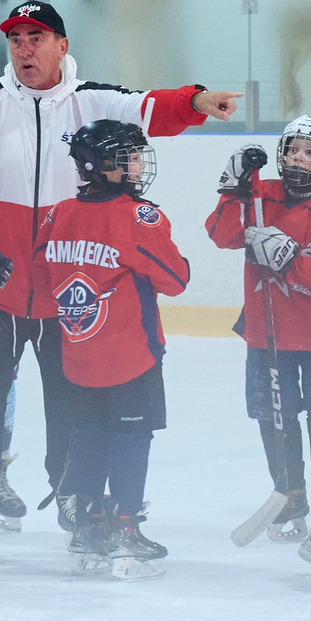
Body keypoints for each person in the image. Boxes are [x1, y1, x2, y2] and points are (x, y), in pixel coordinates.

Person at [0, 0, 238, 537]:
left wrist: (196, 100)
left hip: (65, 292)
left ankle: (73, 493)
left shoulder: (93, 101)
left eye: (36, 38)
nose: (24, 49)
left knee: (71, 400)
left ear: (62, 45)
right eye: (15, 40)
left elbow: (150, 108)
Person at [45, 121, 191, 579]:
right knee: (131, 437)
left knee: (87, 436)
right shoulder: (137, 217)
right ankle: (126, 529)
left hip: (78, 352)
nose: (137, 164)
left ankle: (87, 527)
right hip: (132, 354)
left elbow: (42, 277)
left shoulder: (59, 214)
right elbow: (175, 279)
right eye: (128, 156)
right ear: (103, 166)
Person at [207, 117, 311, 540]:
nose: (298, 158)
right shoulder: (259, 197)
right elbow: (221, 235)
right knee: (276, 420)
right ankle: (289, 495)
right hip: (266, 335)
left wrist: (290, 260)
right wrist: (231, 190)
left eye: (310, 152)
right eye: (293, 149)